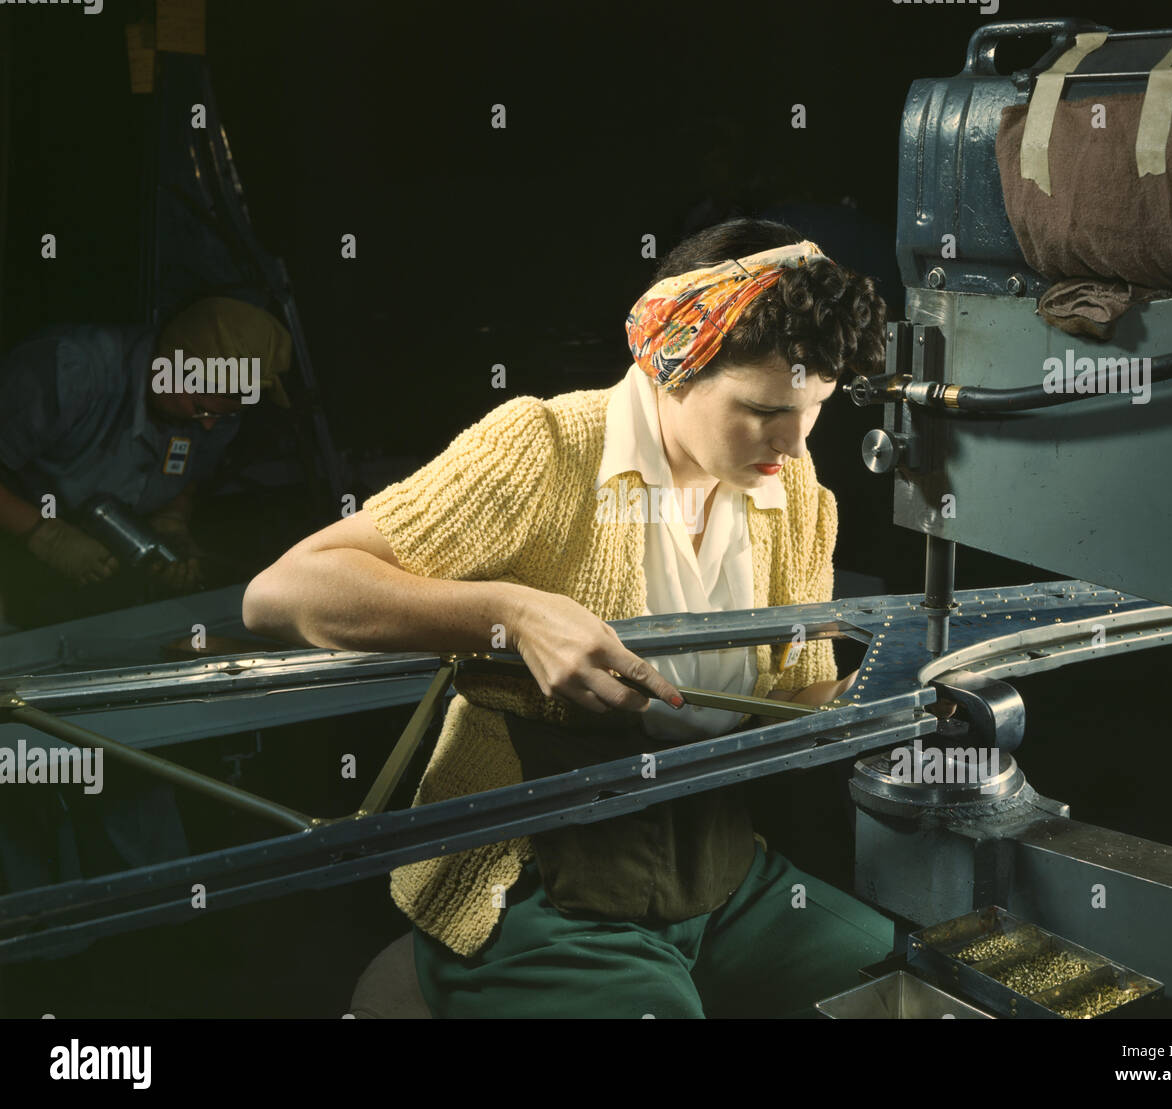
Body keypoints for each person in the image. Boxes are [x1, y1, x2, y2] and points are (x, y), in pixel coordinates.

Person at [242, 218, 893, 1018]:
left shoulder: (791, 493)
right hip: (540, 886)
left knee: (908, 991)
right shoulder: (548, 450)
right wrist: (510, 613)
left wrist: (891, 688)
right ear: (671, 363)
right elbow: (283, 592)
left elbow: (785, 706)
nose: (793, 444)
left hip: (717, 876)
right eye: (762, 410)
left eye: (815, 407)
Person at [0, 296, 293, 628]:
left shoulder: (219, 408)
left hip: (98, 571)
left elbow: (193, 467)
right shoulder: (71, 371)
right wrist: (44, 535)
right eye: (200, 408)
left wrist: (172, 521)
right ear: (166, 366)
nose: (208, 425)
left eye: (222, 415)